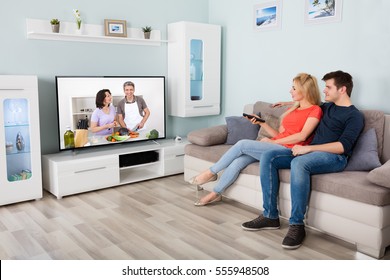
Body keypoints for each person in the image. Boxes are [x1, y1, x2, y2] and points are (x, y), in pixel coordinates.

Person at [241, 70, 365, 250]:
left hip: (334, 158)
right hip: (309, 153)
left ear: (342, 89)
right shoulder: (327, 107)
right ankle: (270, 216)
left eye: (328, 87)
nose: (324, 91)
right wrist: (287, 102)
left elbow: (343, 146)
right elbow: (307, 100)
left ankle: (297, 225)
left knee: (299, 162)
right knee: (269, 156)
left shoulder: (354, 116)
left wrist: (309, 148)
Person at [190, 73, 323, 206]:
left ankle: (210, 172)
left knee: (242, 144)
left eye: (294, 88)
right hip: (278, 145)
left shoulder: (315, 110)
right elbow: (281, 134)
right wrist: (262, 123)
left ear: (305, 89)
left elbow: (302, 136)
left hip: (290, 150)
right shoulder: (293, 109)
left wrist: (272, 142)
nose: (290, 91)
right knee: (238, 161)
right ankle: (216, 194)